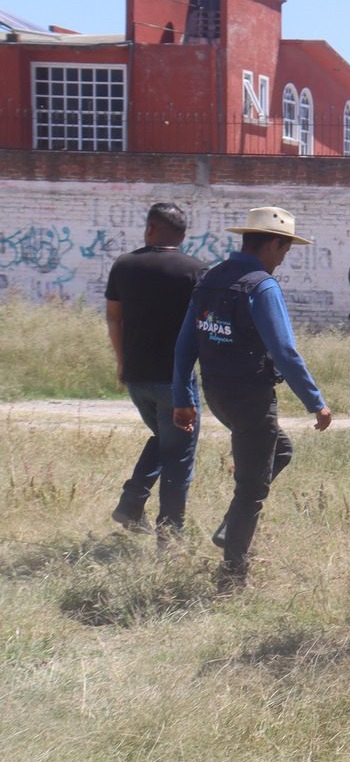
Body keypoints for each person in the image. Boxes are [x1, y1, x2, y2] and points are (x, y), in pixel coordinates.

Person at [170, 207, 333, 588]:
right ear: (273, 244)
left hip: (217, 392)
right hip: (251, 395)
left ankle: (231, 527)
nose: (283, 258)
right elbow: (285, 351)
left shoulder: (212, 279)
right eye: (284, 250)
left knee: (282, 450)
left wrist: (182, 395)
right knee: (252, 489)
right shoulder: (262, 286)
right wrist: (316, 402)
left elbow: (184, 344)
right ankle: (232, 575)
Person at [105, 202, 206, 536]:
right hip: (176, 384)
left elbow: (114, 318)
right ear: (183, 236)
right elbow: (204, 325)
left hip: (137, 378)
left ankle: (132, 504)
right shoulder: (194, 270)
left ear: (149, 229)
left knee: (165, 439)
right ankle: (170, 537)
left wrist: (122, 363)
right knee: (178, 456)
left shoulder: (123, 266)